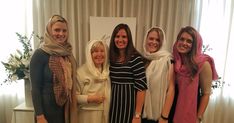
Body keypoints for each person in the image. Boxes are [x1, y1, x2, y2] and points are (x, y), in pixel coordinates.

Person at [30, 15, 78, 123]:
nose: (61, 34)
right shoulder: (39, 54)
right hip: (47, 111)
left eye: (64, 30)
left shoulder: (67, 54)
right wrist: (40, 116)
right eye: (57, 30)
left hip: (65, 109)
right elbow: (35, 89)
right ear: (49, 31)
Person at [172, 26, 218, 123]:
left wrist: (198, 118)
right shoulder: (174, 60)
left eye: (189, 41)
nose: (184, 43)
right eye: (182, 39)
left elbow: (206, 94)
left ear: (195, 45)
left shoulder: (203, 64)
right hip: (171, 110)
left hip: (188, 115)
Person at [108, 23, 148, 123]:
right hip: (112, 107)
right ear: (113, 38)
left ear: (129, 39)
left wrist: (137, 114)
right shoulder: (111, 58)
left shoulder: (135, 58)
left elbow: (141, 88)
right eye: (117, 36)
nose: (120, 40)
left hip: (128, 108)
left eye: (124, 37)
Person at [141, 27, 175, 123]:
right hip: (142, 114)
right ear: (146, 39)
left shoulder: (168, 60)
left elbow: (171, 90)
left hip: (159, 116)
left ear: (162, 42)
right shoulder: (143, 60)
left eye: (158, 40)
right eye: (151, 38)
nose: (154, 42)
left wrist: (164, 117)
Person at [76, 39, 110, 123]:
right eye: (95, 51)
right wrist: (90, 98)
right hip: (87, 114)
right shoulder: (81, 72)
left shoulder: (108, 70)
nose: (99, 54)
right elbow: (74, 97)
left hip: (106, 112)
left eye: (102, 51)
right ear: (89, 54)